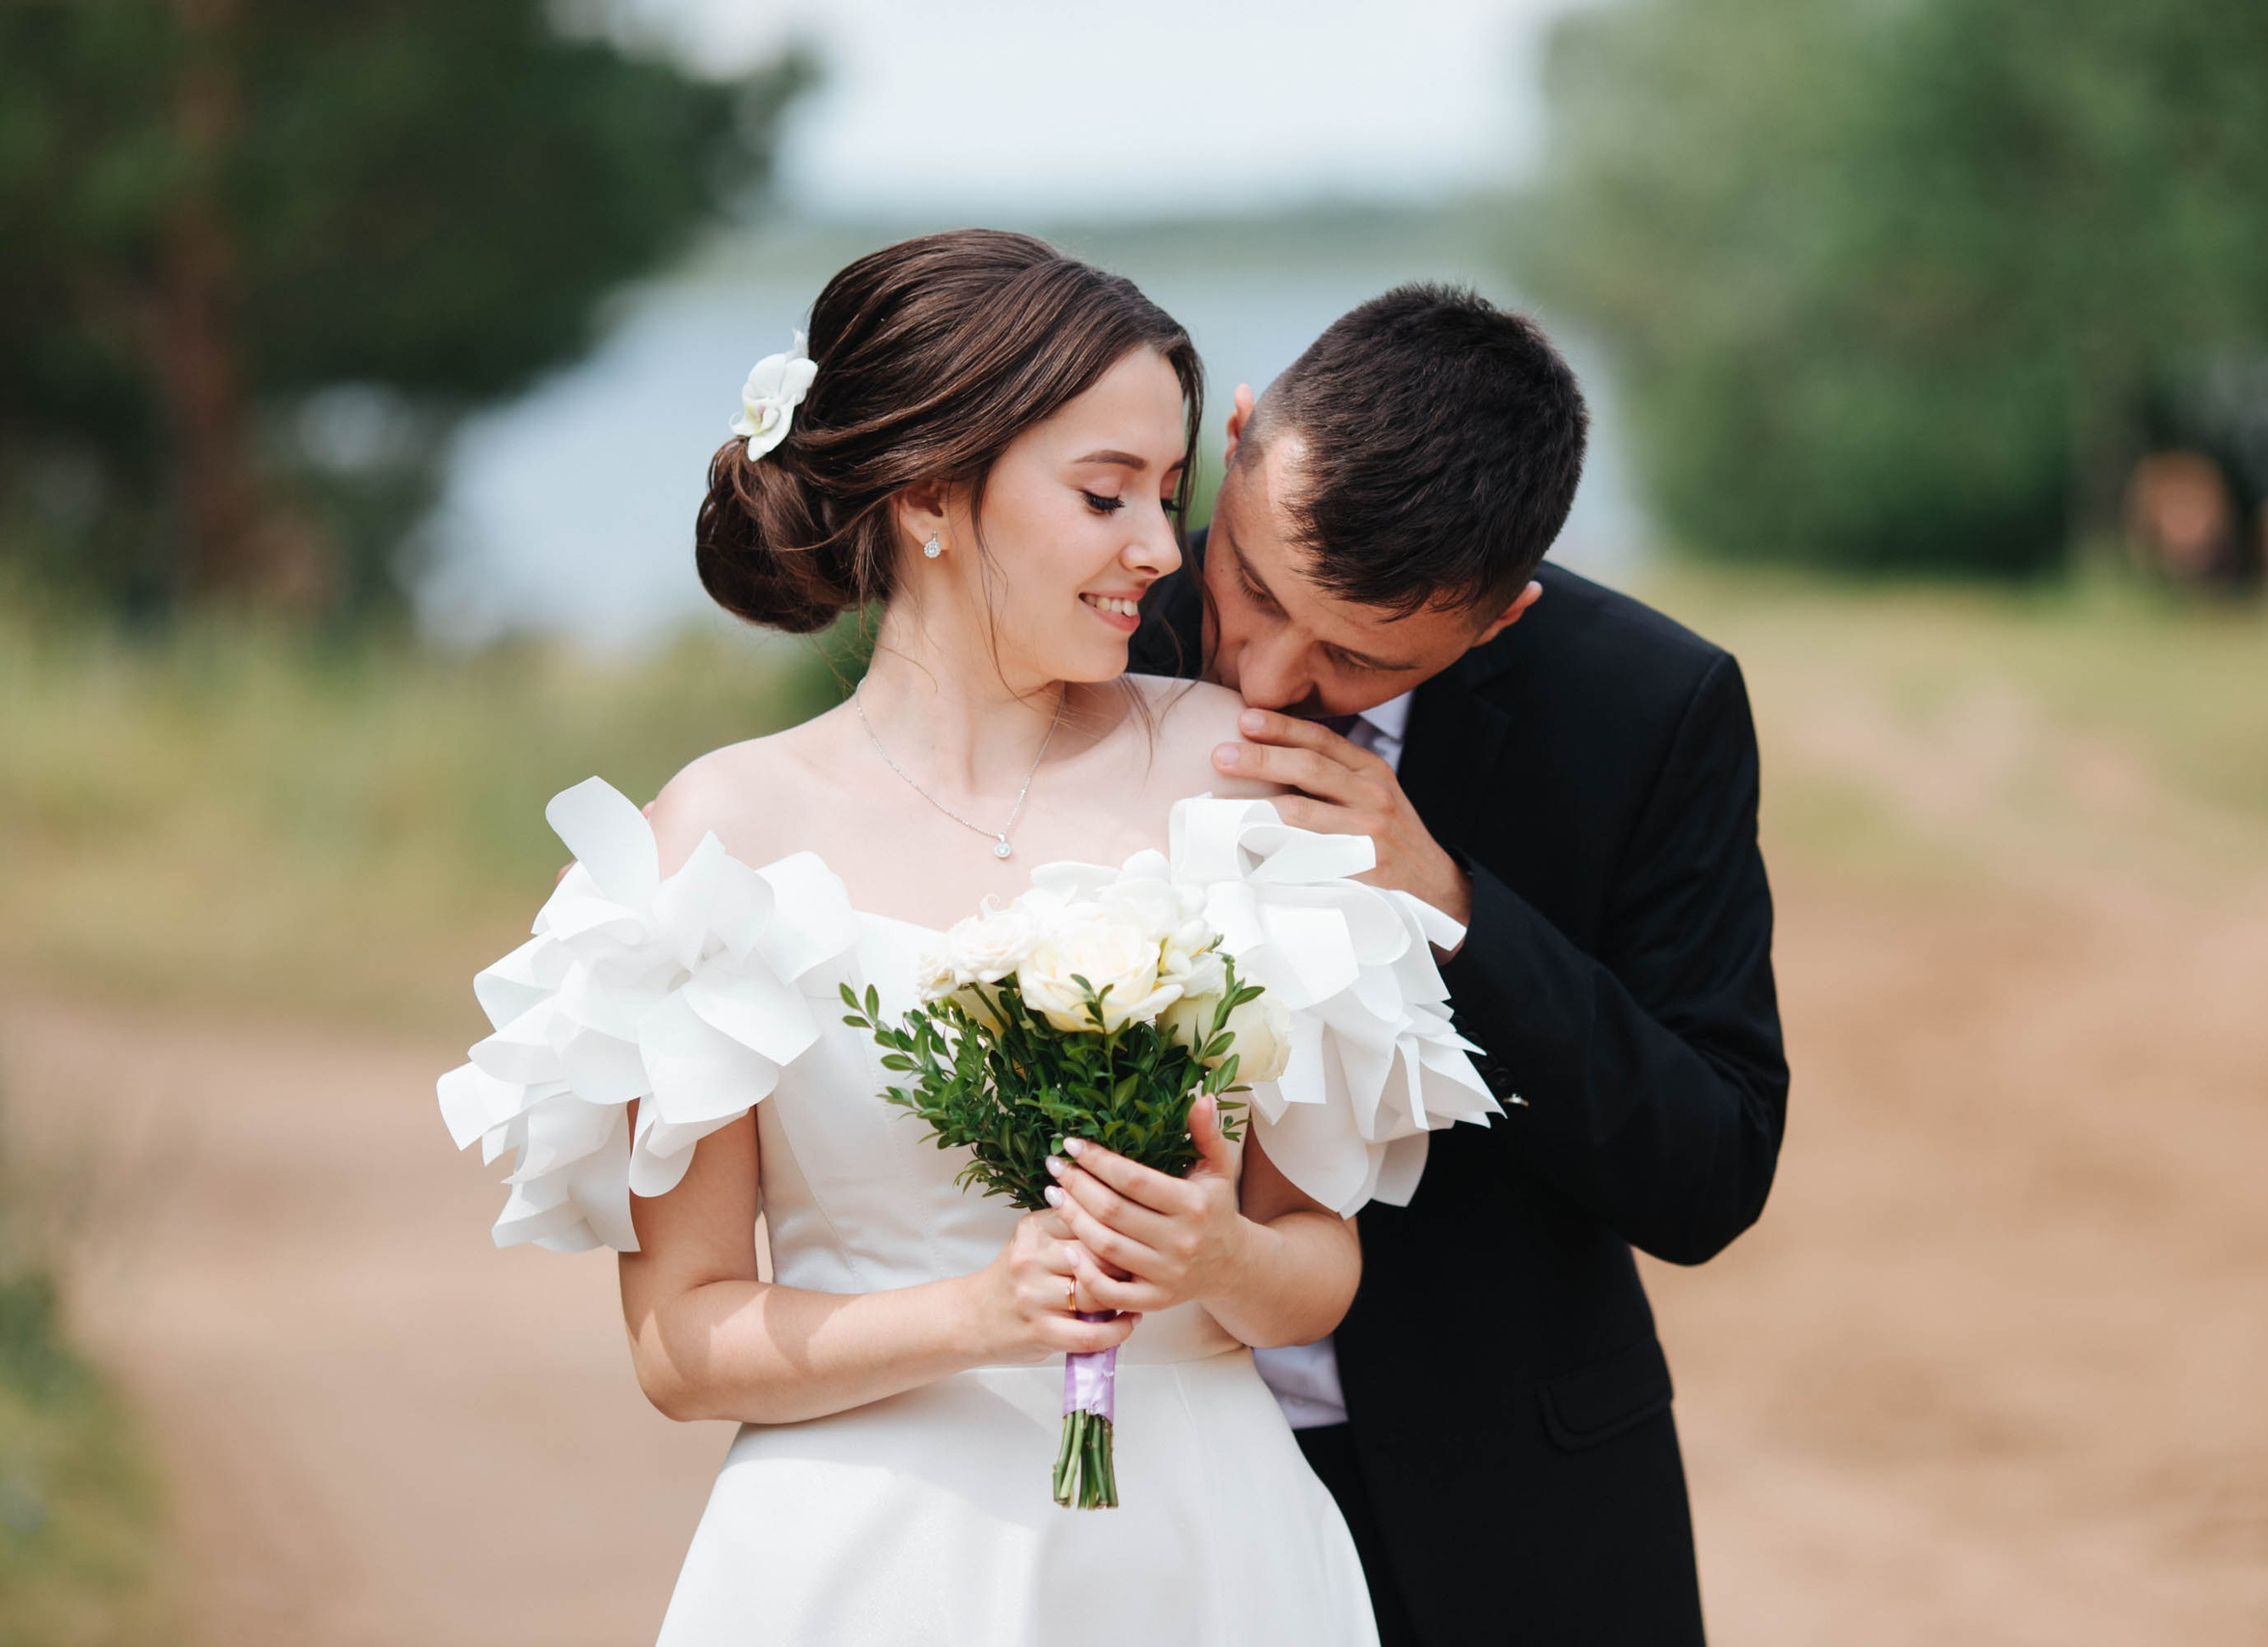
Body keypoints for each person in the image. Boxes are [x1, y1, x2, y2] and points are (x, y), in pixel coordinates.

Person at [436, 231, 1496, 1644]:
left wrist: (1213, 1262)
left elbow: (1317, 1260)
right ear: (934, 497)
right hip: (859, 1566)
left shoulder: (1241, 780)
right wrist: (980, 1315)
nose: (1155, 551)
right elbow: (682, 1343)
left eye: (1169, 493)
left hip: (1208, 1559)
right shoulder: (719, 839)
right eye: (1106, 493)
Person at [1129, 286, 1790, 1646]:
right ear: (1236, 440)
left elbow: (1711, 1168)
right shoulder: (1090, 633)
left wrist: (1450, 907)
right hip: (1131, 1487)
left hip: (1518, 1519)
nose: (1263, 678)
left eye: (1357, 659)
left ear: (1499, 620)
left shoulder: (1651, 709)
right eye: (1251, 586)